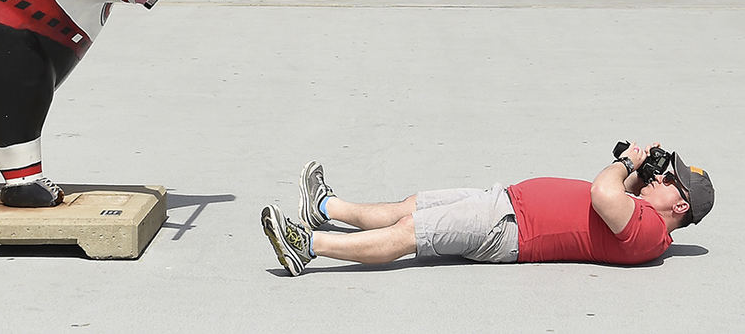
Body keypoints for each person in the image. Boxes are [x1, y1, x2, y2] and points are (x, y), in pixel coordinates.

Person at [260, 143, 714, 276]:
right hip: (504, 204)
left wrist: (625, 163)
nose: (658, 176)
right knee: (409, 208)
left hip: (509, 228)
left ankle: (310, 246)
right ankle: (325, 206)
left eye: (667, 178)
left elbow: (603, 193)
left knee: (410, 233)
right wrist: (638, 169)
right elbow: (621, 195)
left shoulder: (652, 234)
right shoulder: (645, 216)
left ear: (680, 203)